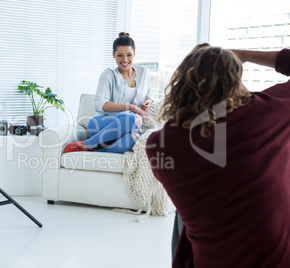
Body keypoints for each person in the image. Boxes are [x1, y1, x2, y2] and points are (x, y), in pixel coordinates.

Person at [146, 44, 290, 267]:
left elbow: (202, 119)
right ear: (235, 80)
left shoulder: (159, 145)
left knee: (183, 217)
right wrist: (244, 54)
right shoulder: (269, 113)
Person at [63, 32, 153, 154]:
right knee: (131, 118)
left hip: (128, 127)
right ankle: (87, 144)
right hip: (101, 125)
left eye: (129, 55)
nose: (125, 60)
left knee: (133, 138)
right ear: (113, 55)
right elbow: (100, 104)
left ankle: (97, 150)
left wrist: (148, 101)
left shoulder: (144, 72)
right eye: (120, 55)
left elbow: (148, 95)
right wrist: (131, 107)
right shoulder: (109, 74)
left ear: (134, 54)